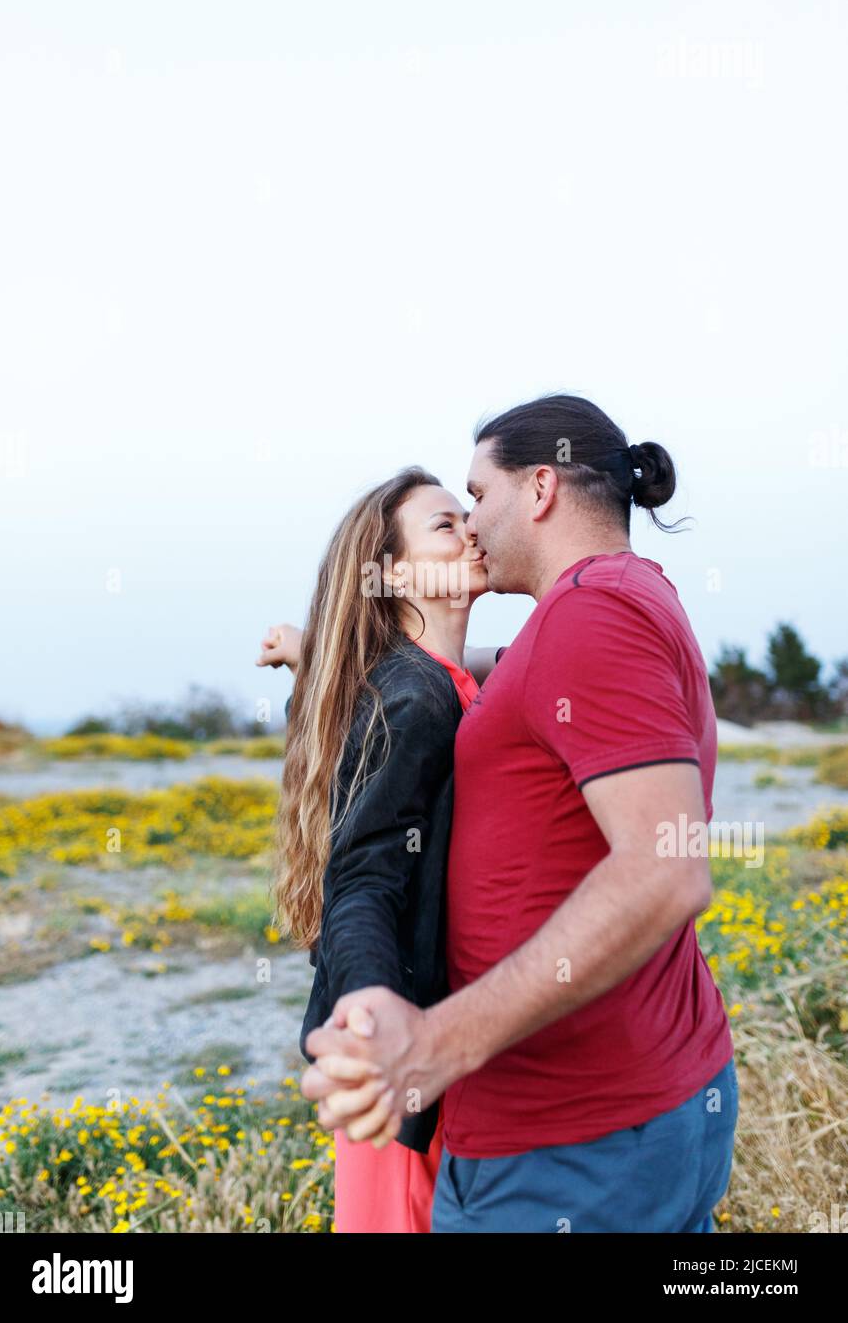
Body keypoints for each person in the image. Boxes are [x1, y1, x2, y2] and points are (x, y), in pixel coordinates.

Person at [302, 393, 738, 1234]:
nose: (471, 519)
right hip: (637, 1109)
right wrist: (326, 645)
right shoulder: (611, 603)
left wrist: (439, 1044)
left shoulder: (590, 614)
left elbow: (664, 868)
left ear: (538, 489)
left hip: (569, 1145)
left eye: (477, 492)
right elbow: (454, 671)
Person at [258, 466, 492, 1232]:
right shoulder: (415, 696)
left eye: (468, 515)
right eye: (444, 525)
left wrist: (306, 653)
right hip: (396, 1052)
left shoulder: (448, 683)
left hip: (425, 1049)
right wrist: (373, 1010)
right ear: (392, 573)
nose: (471, 530)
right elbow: (361, 875)